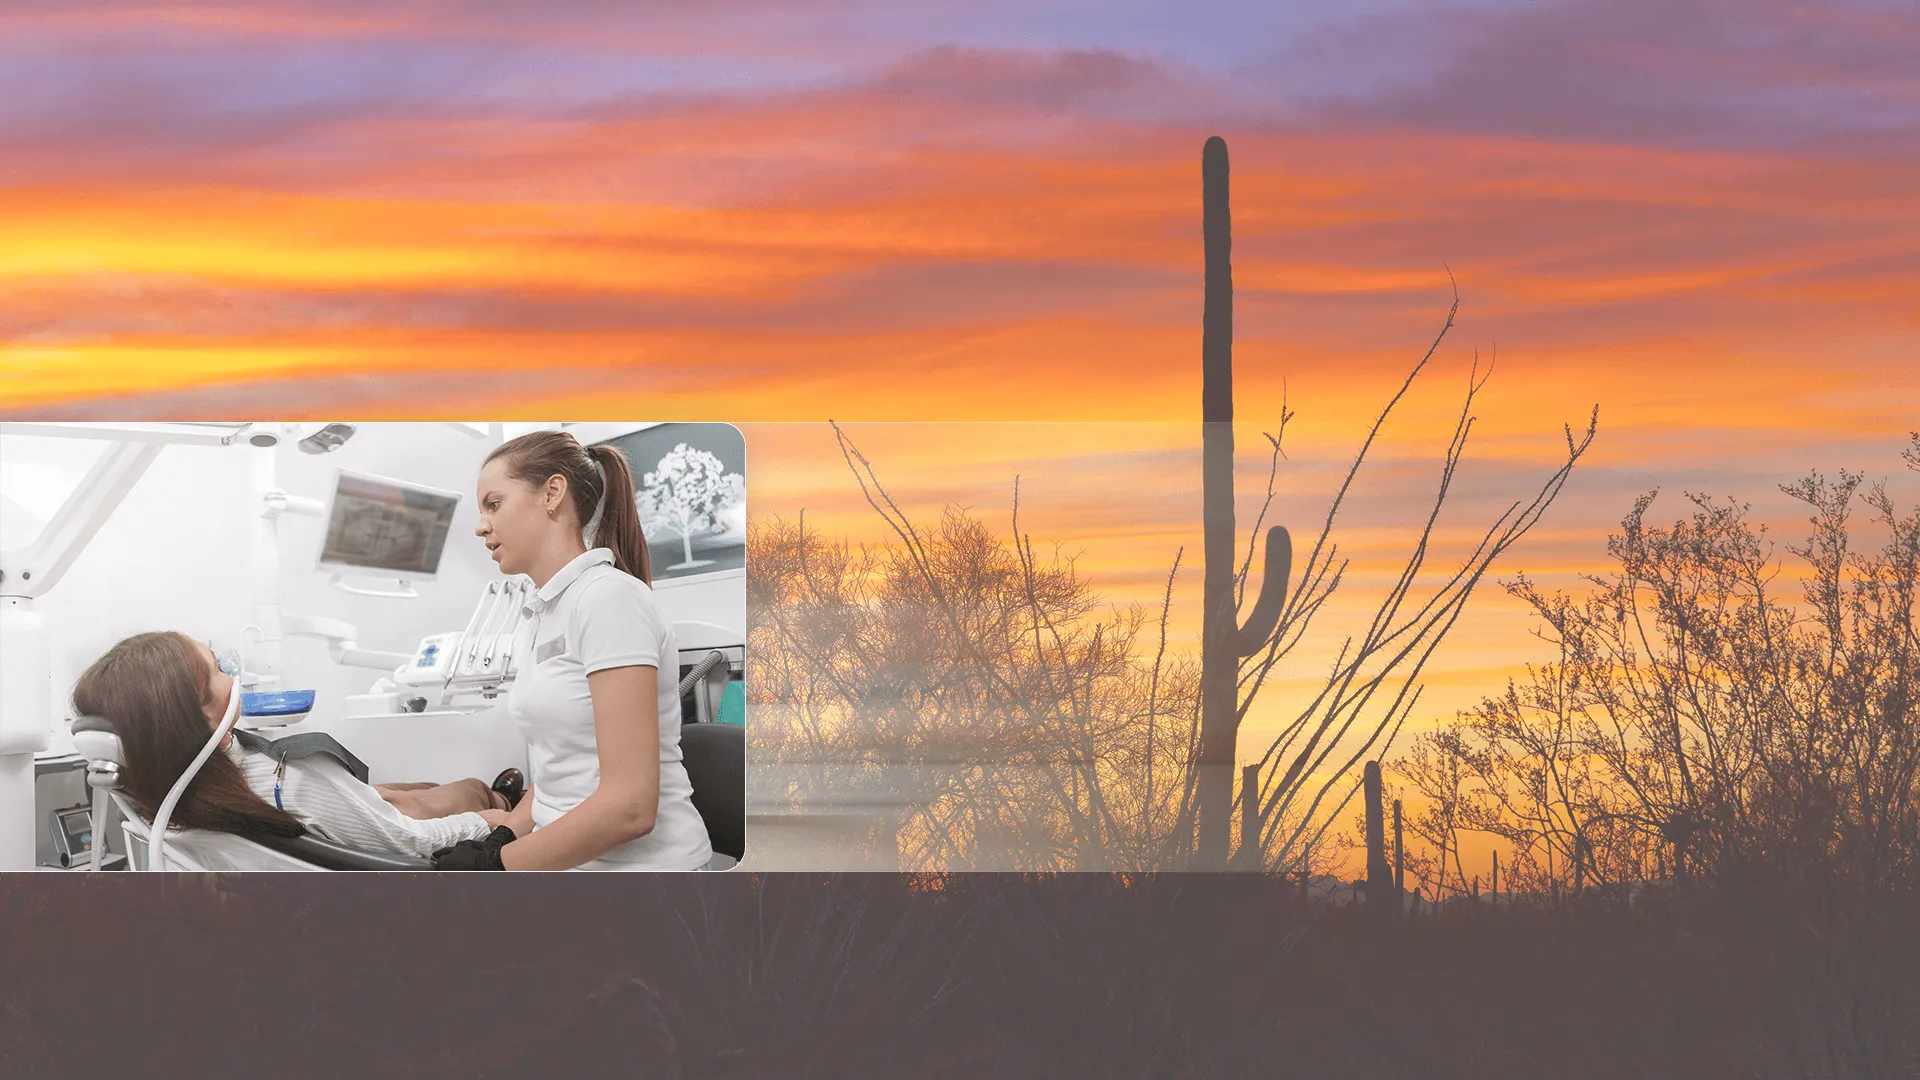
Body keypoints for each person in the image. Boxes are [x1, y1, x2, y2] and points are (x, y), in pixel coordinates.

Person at [436, 429, 712, 871]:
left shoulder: (608, 599)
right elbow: (559, 770)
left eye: (494, 504)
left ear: (552, 494)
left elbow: (630, 808)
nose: (480, 525)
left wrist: (499, 866)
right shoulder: (542, 612)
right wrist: (504, 836)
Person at [71, 630, 520, 860]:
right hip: (362, 831)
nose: (230, 671)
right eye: (218, 669)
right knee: (461, 793)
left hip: (307, 809)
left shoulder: (155, 791)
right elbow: (410, 844)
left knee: (402, 791)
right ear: (202, 718)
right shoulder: (291, 777)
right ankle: (498, 797)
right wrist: (492, 823)